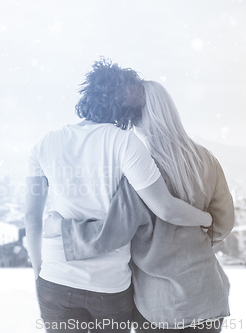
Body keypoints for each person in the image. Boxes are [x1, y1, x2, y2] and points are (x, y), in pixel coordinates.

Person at [25, 59, 212, 333]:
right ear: (126, 106)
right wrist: (206, 217)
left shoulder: (44, 143)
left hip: (56, 277)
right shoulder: (125, 143)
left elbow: (31, 217)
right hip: (108, 285)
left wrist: (40, 271)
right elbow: (166, 208)